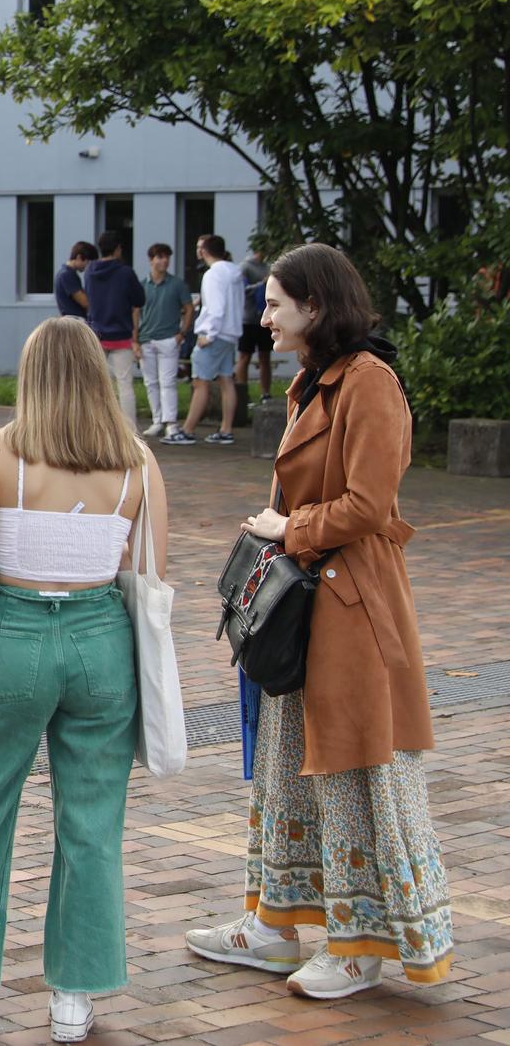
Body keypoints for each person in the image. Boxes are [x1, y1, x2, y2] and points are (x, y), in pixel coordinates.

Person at [185, 243, 452, 998]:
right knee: (289, 762)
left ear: (317, 306)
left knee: (352, 769)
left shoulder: (369, 382)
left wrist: (287, 528)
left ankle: (360, 943)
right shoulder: (316, 379)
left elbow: (370, 504)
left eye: (275, 303)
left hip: (352, 603)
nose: (263, 317)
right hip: (307, 606)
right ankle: (274, 923)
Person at [0, 318, 168, 1043]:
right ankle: (74, 996)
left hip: (11, 636)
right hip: (99, 638)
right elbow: (149, 572)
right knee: (91, 821)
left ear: (32, 376)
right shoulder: (137, 461)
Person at [164, 234, 242, 446]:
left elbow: (216, 307)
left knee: (200, 382)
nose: (197, 250)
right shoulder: (234, 272)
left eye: (199, 247)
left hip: (214, 334)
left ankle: (188, 430)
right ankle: (226, 429)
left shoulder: (212, 275)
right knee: (226, 381)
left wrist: (208, 334)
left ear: (204, 251)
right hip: (231, 333)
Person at [83, 231, 146, 423]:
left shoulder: (89, 271)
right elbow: (139, 299)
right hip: (121, 335)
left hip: (96, 335)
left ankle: (96, 428)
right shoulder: (125, 272)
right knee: (124, 384)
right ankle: (130, 433)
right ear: (118, 248)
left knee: (96, 386)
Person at [137, 244, 192, 439]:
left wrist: (182, 333)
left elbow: (189, 307)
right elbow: (135, 312)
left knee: (167, 382)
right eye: (160, 257)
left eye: (167, 257)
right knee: (150, 382)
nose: (164, 261)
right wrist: (135, 340)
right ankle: (157, 420)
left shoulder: (177, 284)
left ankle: (171, 422)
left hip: (169, 338)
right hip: (146, 339)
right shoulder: (142, 285)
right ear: (151, 260)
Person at [237, 246, 274, 401]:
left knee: (265, 356)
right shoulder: (245, 267)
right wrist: (261, 284)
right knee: (244, 356)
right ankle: (242, 394)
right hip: (248, 318)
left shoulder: (268, 267)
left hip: (264, 319)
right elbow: (242, 290)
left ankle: (265, 393)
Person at [54, 242, 94, 318]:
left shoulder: (64, 273)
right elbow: (85, 302)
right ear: (79, 257)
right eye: (88, 262)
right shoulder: (67, 275)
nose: (88, 267)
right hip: (75, 321)